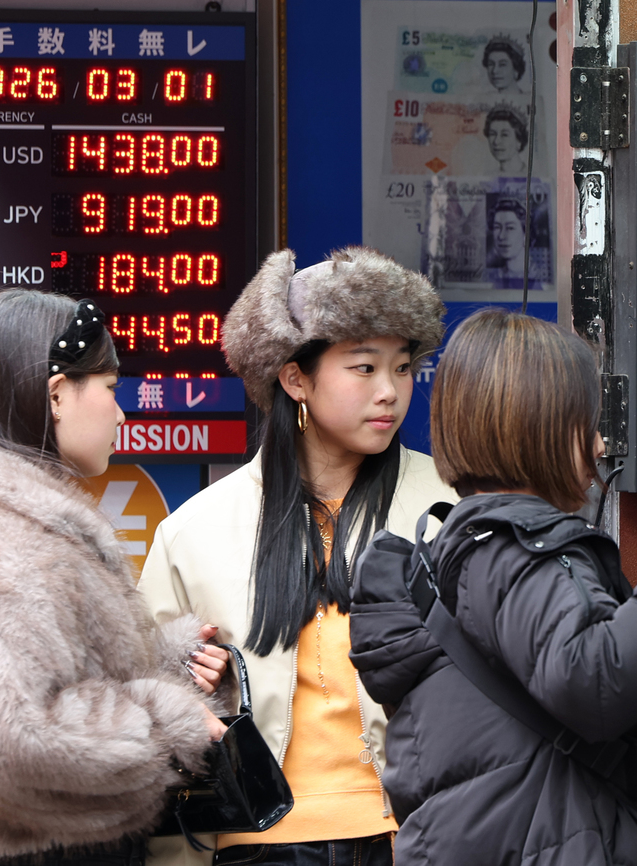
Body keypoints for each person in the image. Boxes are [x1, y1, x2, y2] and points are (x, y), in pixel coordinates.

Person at [348, 307, 637, 865]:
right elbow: (592, 680)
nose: (601, 444)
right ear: (540, 426)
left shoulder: (481, 549)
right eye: (587, 421)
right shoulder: (514, 547)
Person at [0, 290, 230, 866]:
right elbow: (16, 737)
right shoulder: (3, 549)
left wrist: (169, 663)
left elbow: (31, 688)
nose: (121, 412)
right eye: (110, 389)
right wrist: (172, 720)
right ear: (57, 395)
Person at [139, 247, 453, 866]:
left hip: (416, 834)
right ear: (295, 379)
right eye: (364, 368)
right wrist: (194, 686)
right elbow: (146, 712)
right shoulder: (195, 532)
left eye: (404, 367)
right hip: (258, 844)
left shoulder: (448, 504)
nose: (390, 391)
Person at [484, 105, 529, 175]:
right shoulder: (488, 176)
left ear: (519, 140)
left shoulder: (532, 175)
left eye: (504, 135)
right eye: (492, 134)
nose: (496, 141)